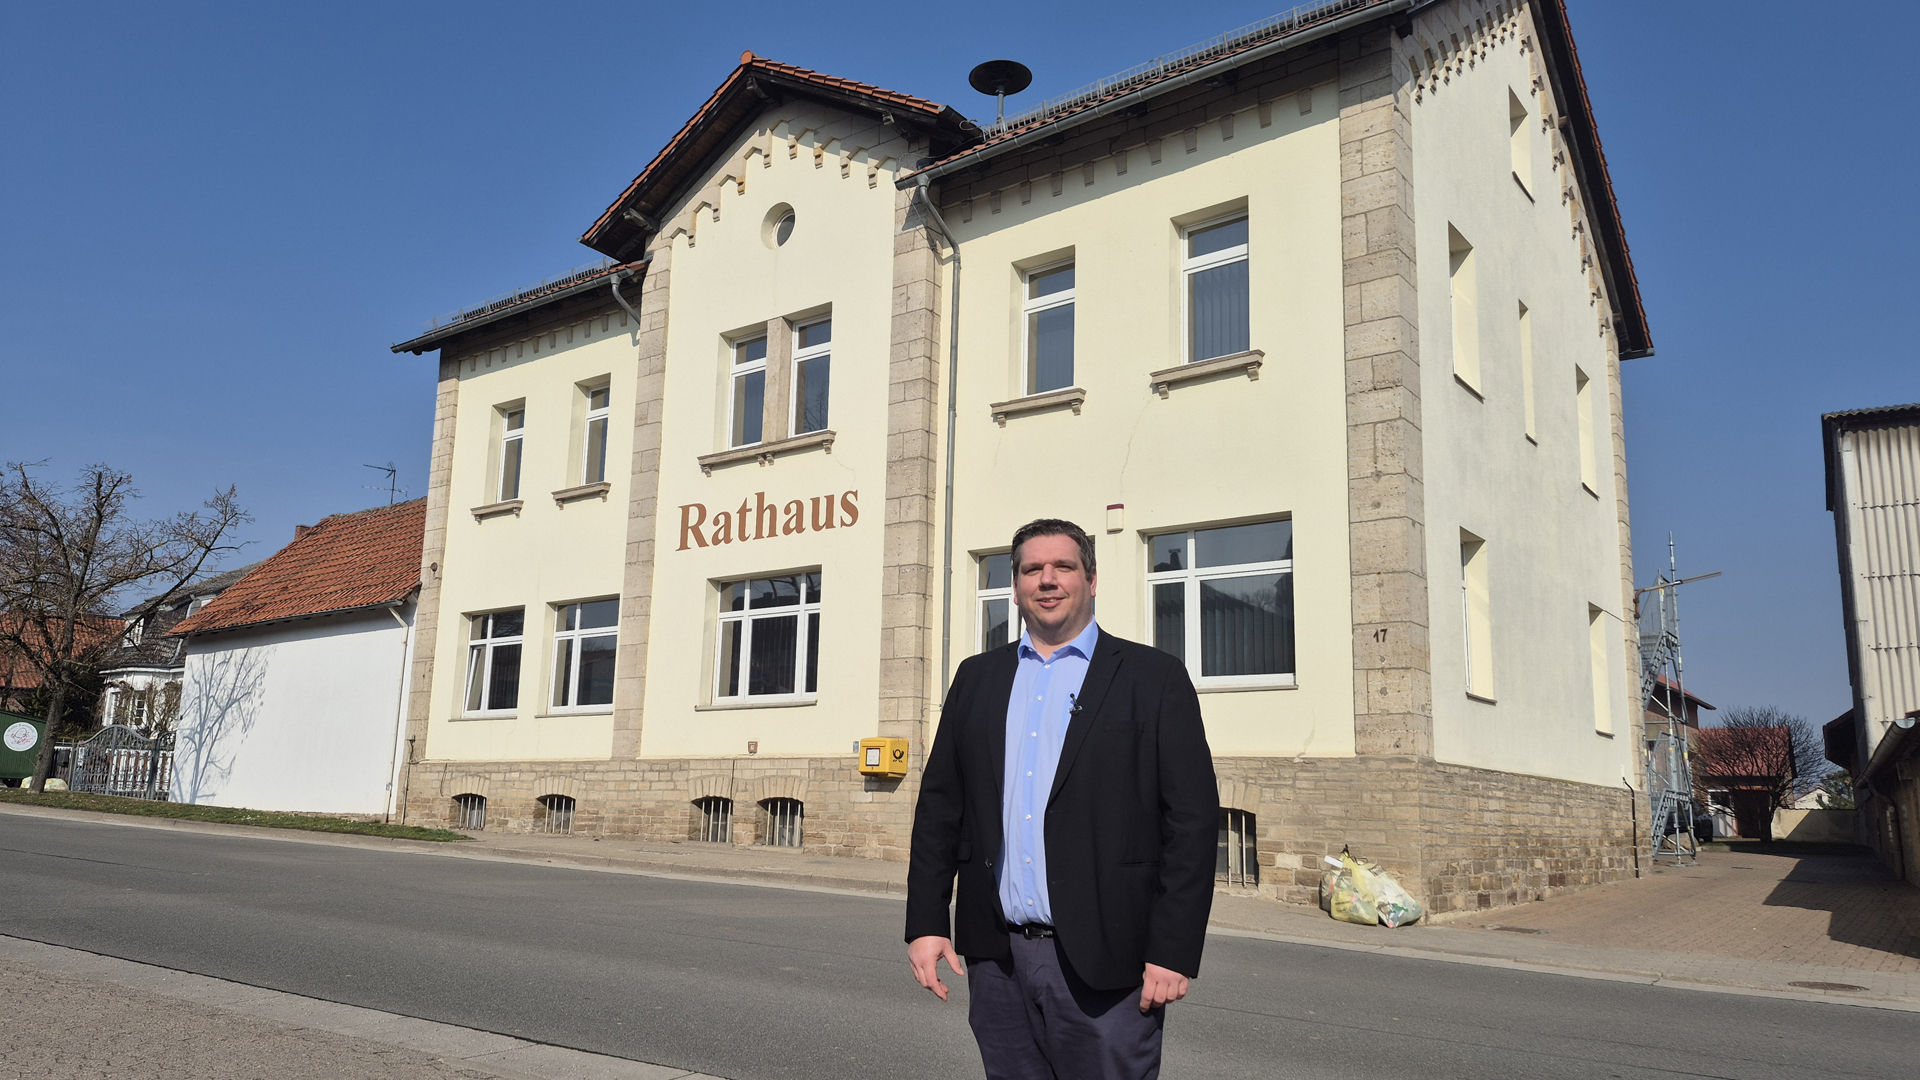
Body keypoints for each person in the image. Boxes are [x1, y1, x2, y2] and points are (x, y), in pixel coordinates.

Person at [905, 517, 1218, 1080]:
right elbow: (939, 810)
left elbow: (1191, 826)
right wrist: (927, 922)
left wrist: (1172, 949)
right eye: (1032, 570)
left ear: (1091, 580)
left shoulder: (1154, 678)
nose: (1047, 580)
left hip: (1107, 960)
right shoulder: (976, 678)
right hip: (997, 957)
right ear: (1017, 585)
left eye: (1063, 567)